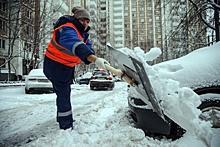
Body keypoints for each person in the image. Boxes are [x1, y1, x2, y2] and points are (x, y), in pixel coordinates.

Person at [43, 6, 109, 130]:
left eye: (88, 21)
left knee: (64, 92)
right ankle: (66, 125)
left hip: (66, 67)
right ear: (76, 19)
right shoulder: (67, 28)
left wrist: (96, 59)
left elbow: (88, 48)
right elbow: (74, 44)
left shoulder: (83, 34)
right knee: (64, 93)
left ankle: (64, 119)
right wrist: (94, 59)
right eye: (83, 20)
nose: (85, 23)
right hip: (54, 64)